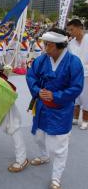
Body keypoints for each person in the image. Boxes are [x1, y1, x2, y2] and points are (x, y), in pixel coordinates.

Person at [26, 28, 84, 189]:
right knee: (38, 136)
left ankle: (56, 178)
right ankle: (44, 156)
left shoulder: (73, 62)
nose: (45, 48)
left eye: (48, 45)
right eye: (45, 44)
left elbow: (76, 87)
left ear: (59, 45)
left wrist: (55, 96)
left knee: (59, 146)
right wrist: (38, 91)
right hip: (41, 106)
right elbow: (31, 76)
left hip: (61, 109)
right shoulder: (42, 60)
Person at [67, 19, 88, 130]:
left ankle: (85, 119)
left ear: (79, 27)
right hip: (75, 73)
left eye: (72, 29)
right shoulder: (71, 43)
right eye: (69, 30)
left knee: (86, 96)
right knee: (75, 95)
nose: (70, 32)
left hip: (87, 73)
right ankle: (75, 117)